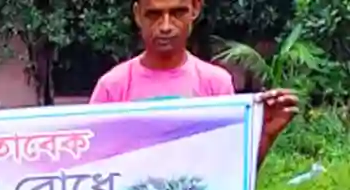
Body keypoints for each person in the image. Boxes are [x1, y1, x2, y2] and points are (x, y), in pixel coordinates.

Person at [89, 0, 298, 166]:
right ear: (137, 14)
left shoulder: (216, 84)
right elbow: (89, 169)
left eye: (178, 12)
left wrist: (265, 136)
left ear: (195, 8)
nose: (166, 26)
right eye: (154, 14)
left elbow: (230, 173)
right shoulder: (112, 87)